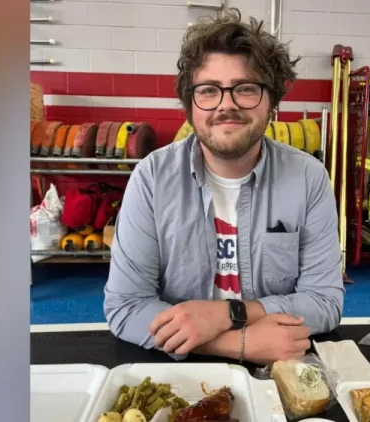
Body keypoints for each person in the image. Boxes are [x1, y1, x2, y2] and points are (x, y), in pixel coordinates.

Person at [103, 9, 344, 365]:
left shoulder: (309, 178)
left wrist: (226, 314)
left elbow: (324, 302)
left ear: (272, 102)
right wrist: (239, 343)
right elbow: (126, 306)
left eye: (245, 89)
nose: (226, 104)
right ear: (190, 105)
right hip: (185, 372)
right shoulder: (152, 178)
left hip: (282, 373)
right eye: (209, 90)